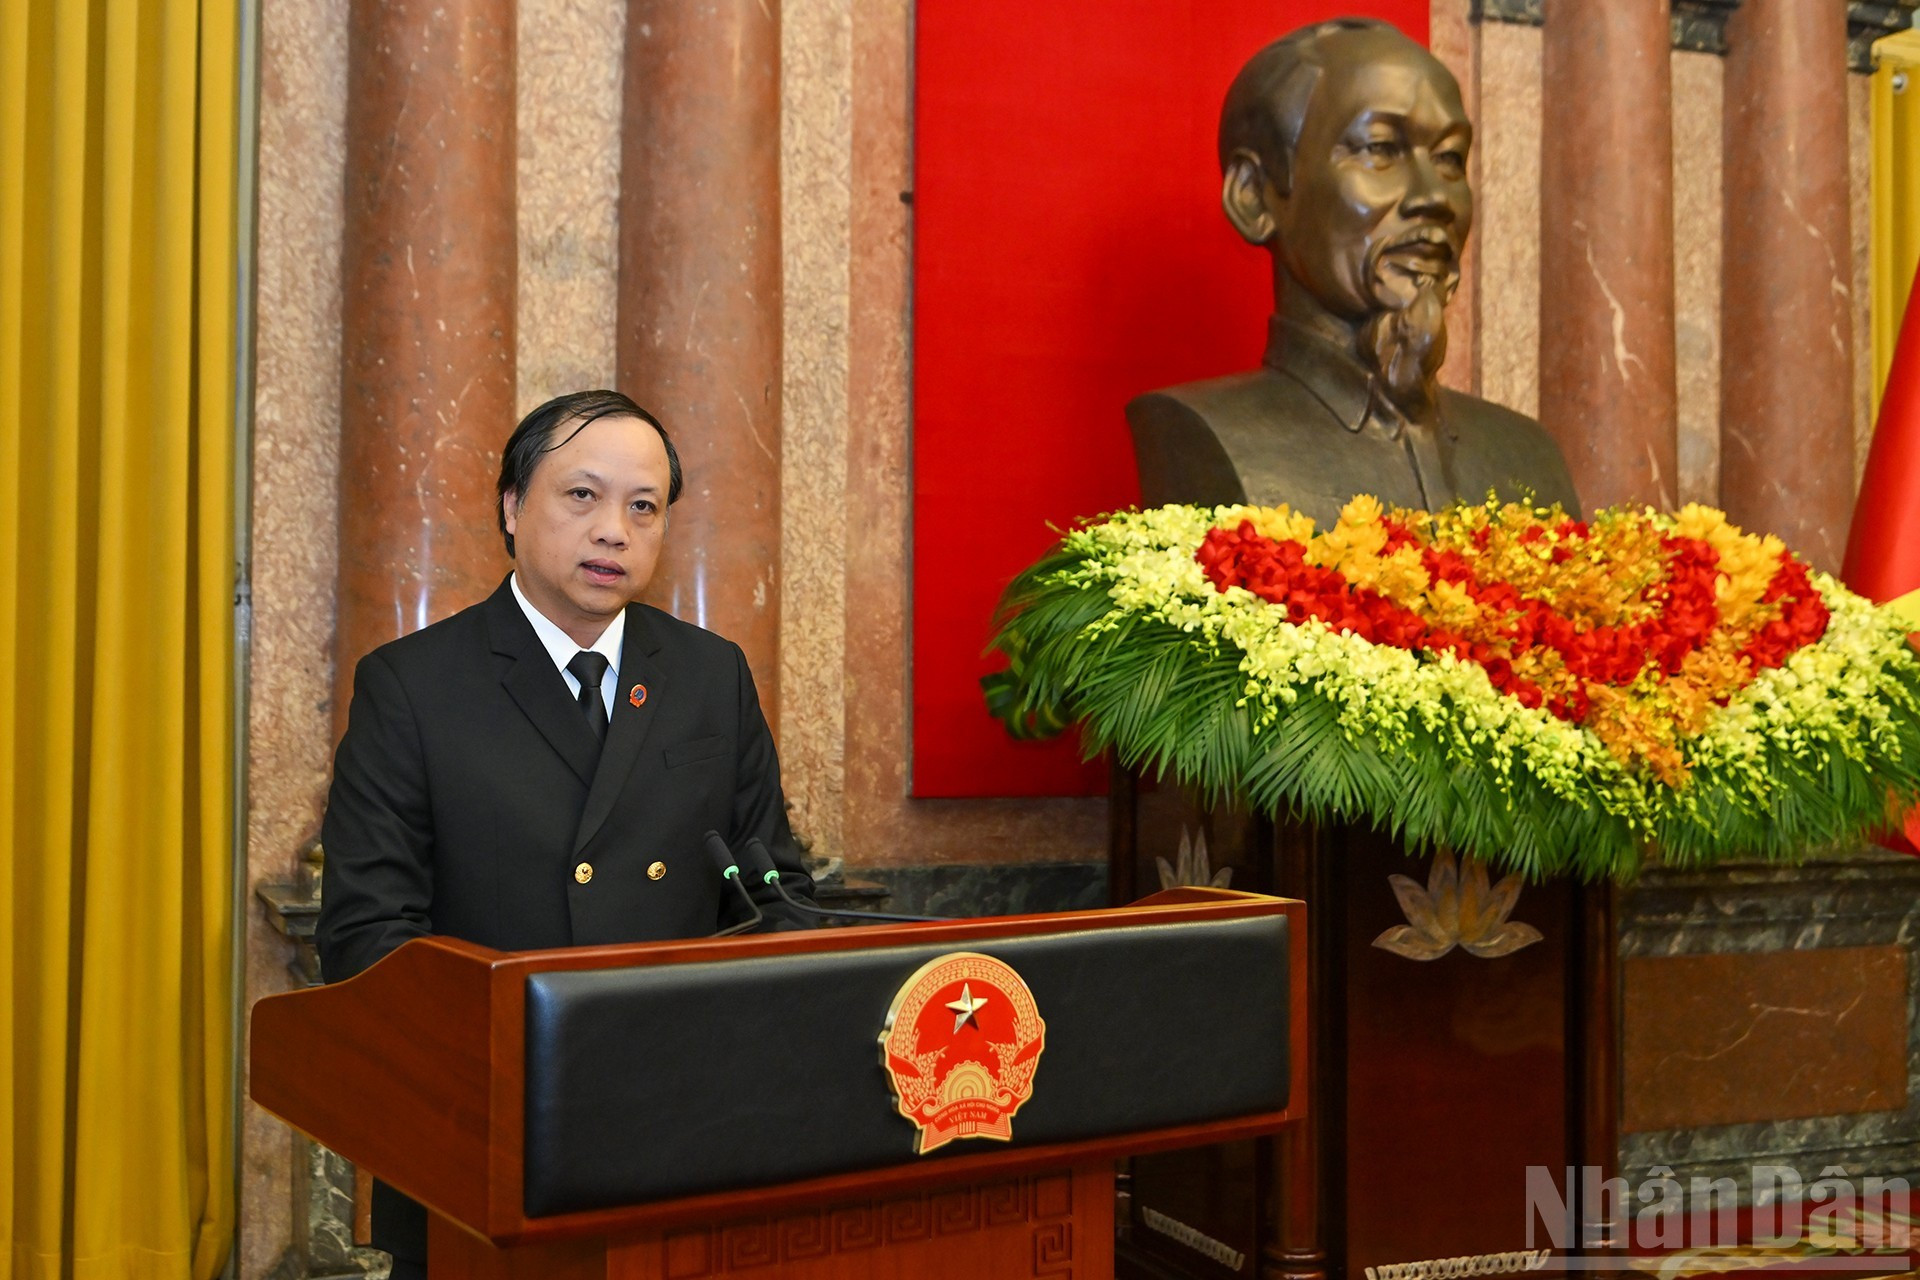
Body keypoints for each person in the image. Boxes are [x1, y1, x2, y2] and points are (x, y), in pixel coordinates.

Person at [316, 388, 814, 1279]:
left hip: (685, 1131)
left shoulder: (710, 675)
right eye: (582, 496)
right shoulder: (413, 685)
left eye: (643, 507)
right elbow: (366, 939)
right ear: (512, 507)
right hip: (487, 1137)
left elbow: (776, 889)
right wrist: (517, 1060)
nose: (614, 531)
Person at [1127, 17, 1579, 523]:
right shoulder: (1200, 432)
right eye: (1380, 149)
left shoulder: (1528, 455)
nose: (1434, 197)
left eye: (1450, 158)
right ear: (1254, 197)